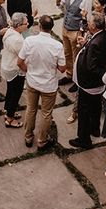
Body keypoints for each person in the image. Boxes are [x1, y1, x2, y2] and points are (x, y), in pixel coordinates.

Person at [18, 14, 66, 150]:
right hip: (48, 85)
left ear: (39, 26)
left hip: (32, 82)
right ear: (51, 28)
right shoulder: (57, 46)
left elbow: (19, 62)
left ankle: (28, 137)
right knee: (46, 113)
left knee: (31, 109)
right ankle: (42, 140)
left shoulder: (29, 41)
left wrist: (28, 71)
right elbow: (63, 69)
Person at [69, 13, 106, 149]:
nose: (88, 23)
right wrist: (86, 43)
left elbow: (91, 67)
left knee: (84, 111)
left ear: (93, 25)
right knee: (96, 106)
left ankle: (83, 139)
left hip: (89, 84)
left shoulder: (94, 43)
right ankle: (95, 128)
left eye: (89, 22)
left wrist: (87, 47)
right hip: (97, 84)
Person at [55, 0, 91, 90]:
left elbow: (87, 20)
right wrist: (58, 0)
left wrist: (82, 35)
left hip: (76, 32)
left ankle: (77, 80)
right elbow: (62, 6)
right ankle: (69, 75)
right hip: (65, 28)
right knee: (67, 54)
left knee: (77, 58)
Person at [0, 12, 28, 128]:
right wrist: (26, 70)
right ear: (19, 25)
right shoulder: (18, 40)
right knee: (15, 94)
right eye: (26, 23)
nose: (28, 24)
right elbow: (22, 58)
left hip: (7, 65)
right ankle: (10, 119)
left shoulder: (9, 31)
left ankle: (8, 111)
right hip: (14, 70)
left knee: (10, 91)